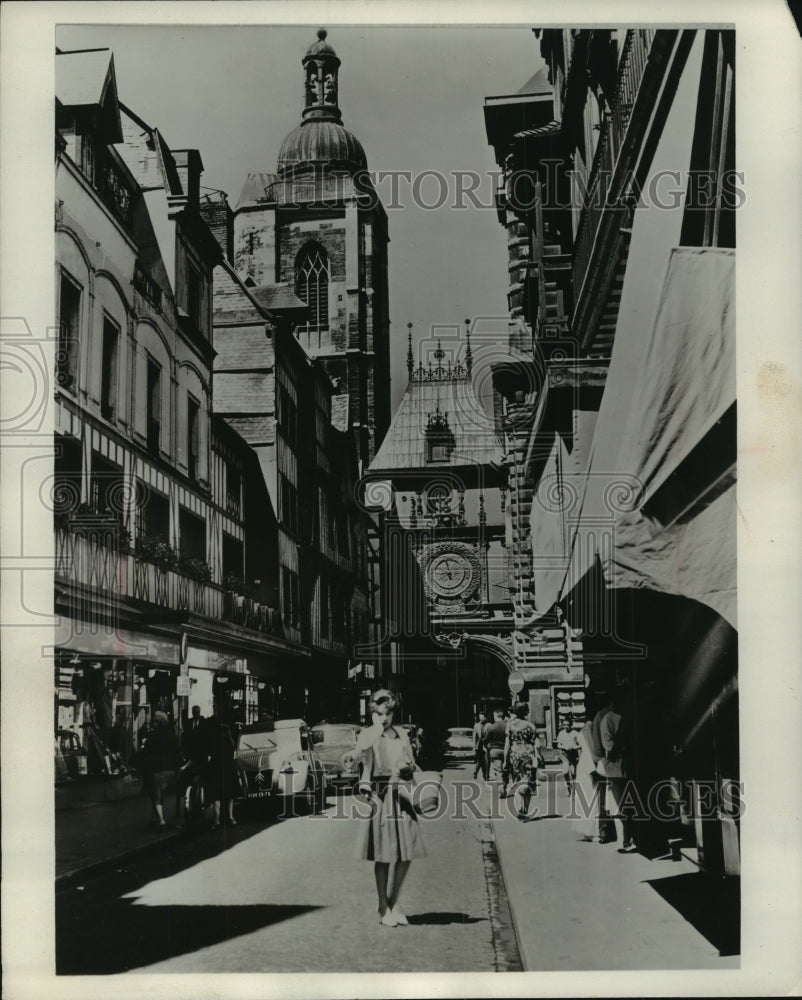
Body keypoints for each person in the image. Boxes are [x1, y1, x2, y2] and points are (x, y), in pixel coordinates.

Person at [353, 689, 425, 927]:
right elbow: (362, 749)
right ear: (372, 713)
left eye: (389, 713)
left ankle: (394, 901)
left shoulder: (401, 733)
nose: (385, 718)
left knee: (406, 852)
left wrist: (408, 767)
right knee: (383, 854)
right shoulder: (368, 734)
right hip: (381, 794)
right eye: (380, 713)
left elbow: (412, 762)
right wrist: (376, 727)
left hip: (402, 792)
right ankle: (383, 905)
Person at [598, 686, 636, 852]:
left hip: (625, 766)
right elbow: (608, 745)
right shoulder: (609, 719)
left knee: (626, 804)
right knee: (619, 804)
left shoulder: (625, 717)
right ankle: (623, 840)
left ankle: (627, 839)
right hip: (617, 766)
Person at [137, 710, 181, 832]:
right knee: (161, 794)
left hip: (157, 769)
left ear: (156, 723)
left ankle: (161, 820)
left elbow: (145, 751)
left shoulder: (152, 736)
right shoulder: (172, 735)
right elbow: (177, 752)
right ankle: (155, 816)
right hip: (170, 770)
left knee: (156, 795)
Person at [503, 702, 542, 817]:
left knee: (517, 780)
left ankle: (520, 806)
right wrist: (538, 755)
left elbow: (507, 745)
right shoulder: (531, 725)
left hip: (515, 754)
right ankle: (526, 809)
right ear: (526, 711)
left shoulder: (510, 725)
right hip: (529, 754)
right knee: (529, 780)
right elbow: (537, 744)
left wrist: (505, 760)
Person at [180, 705, 210, 818]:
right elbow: (185, 738)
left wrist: (208, 753)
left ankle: (203, 799)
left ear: (199, 712)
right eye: (194, 712)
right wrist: (184, 753)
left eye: (197, 712)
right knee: (190, 777)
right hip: (190, 756)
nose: (195, 714)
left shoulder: (205, 723)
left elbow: (207, 738)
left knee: (203, 778)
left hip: (202, 756)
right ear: (192, 713)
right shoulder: (188, 723)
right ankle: (192, 798)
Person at [208, 712, 238, 828]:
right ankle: (231, 817)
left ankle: (217, 820)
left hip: (216, 767)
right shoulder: (228, 733)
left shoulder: (212, 735)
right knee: (230, 793)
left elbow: (210, 752)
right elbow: (233, 749)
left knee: (216, 795)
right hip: (229, 766)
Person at [484, 709, 509, 794]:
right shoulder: (508, 726)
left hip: (494, 750)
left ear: (495, 715)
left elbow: (485, 740)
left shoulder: (491, 727)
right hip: (506, 750)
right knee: (506, 769)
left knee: (498, 770)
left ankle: (501, 788)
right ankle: (505, 786)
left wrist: (487, 746)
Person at [556, 717, 581, 795]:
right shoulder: (561, 733)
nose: (566, 726)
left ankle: (574, 790)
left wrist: (574, 747)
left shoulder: (575, 733)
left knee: (573, 773)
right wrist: (564, 747)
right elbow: (558, 745)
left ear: (571, 725)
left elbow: (580, 745)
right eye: (564, 725)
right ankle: (569, 788)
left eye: (568, 725)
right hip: (565, 755)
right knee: (566, 771)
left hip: (573, 755)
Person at [472, 712, 489, 780]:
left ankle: (485, 776)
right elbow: (474, 737)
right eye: (480, 717)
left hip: (486, 745)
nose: (481, 718)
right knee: (480, 761)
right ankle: (476, 772)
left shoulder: (488, 725)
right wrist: (474, 746)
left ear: (486, 718)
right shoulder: (476, 725)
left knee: (485, 761)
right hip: (479, 745)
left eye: (483, 717)